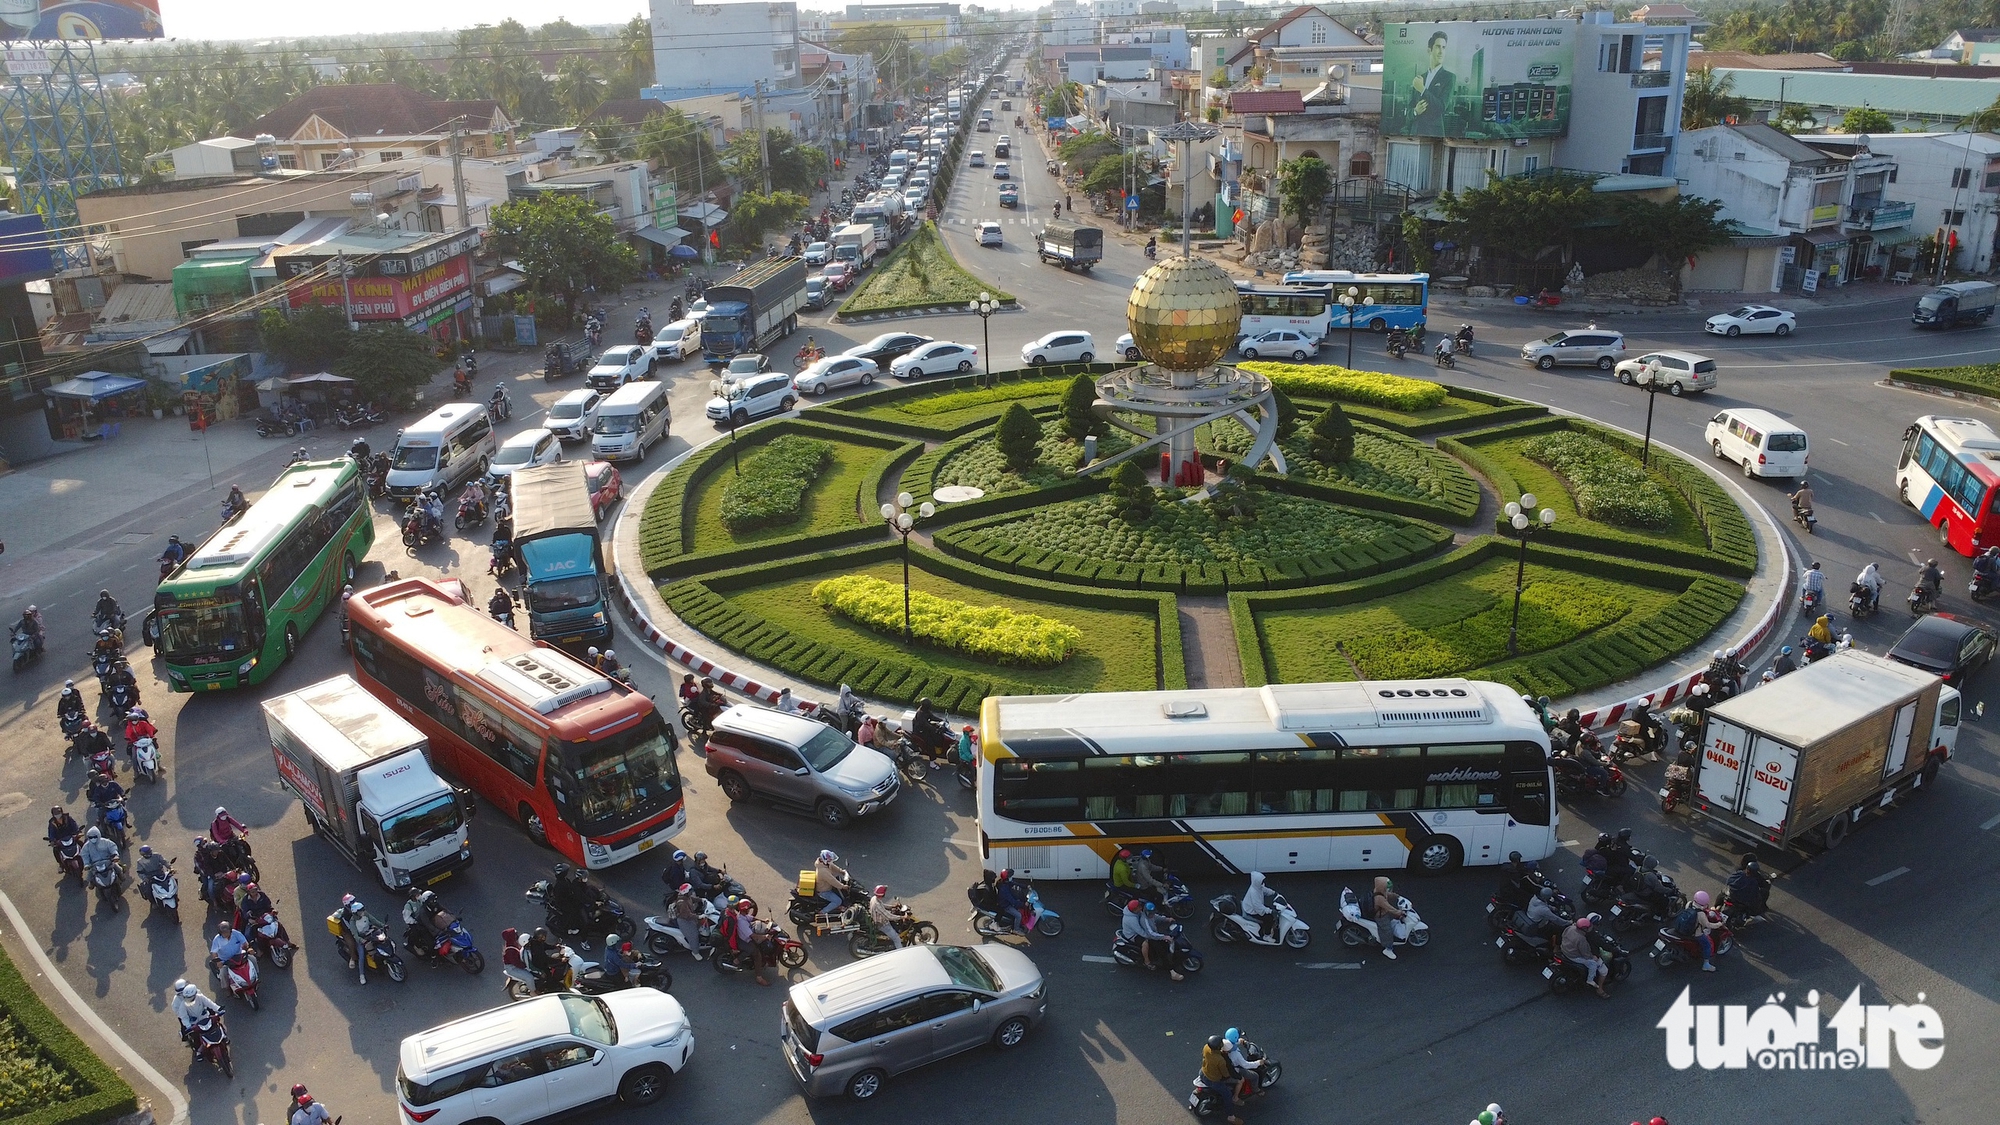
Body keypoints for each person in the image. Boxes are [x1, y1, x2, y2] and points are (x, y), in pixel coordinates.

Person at [1409, 30, 1456, 132]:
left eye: (1444, 48)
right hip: (1415, 133)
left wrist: (1422, 89)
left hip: (1434, 134)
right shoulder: (1420, 78)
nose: (1441, 51)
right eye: (1438, 47)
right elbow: (1409, 109)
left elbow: (1441, 107)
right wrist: (1415, 111)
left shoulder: (1449, 77)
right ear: (1429, 50)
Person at [1122, 900, 1183, 980]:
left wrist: (1166, 919)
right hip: (1135, 934)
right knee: (1156, 948)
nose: (1140, 908)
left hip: (1148, 933)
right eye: (1138, 907)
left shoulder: (1144, 913)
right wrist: (1158, 937)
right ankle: (1149, 963)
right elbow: (1142, 932)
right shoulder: (1134, 920)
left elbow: (1155, 917)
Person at [1561, 916, 1611, 997]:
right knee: (1595, 965)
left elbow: (1563, 936)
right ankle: (1593, 983)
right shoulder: (1581, 939)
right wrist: (1593, 957)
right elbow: (1586, 954)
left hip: (1564, 950)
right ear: (1584, 929)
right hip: (1574, 956)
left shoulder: (1570, 928)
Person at [1199, 1035, 1244, 1125]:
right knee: (1227, 1095)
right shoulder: (1220, 1060)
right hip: (1213, 1080)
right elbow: (1225, 1074)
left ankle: (1198, 1090)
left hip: (1202, 1073)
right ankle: (1231, 1117)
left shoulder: (1206, 1048)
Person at [726, 900, 773, 986]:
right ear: (745, 910)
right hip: (743, 941)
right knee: (757, 954)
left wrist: (764, 921)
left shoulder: (743, 916)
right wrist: (765, 937)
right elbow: (753, 936)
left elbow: (751, 918)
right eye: (748, 908)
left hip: (745, 937)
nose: (749, 910)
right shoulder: (741, 922)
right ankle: (759, 977)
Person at [171, 980, 223, 1051]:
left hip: (204, 1015)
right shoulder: (179, 1004)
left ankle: (223, 1037)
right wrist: (189, 1025)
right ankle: (198, 1050)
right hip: (193, 1021)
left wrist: (218, 1008)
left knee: (215, 1020)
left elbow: (208, 1002)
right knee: (194, 1036)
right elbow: (182, 1016)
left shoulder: (198, 994)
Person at [1371, 875, 1407, 959]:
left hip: (1384, 912)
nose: (1388, 890)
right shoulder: (1379, 898)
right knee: (1387, 931)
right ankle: (1388, 948)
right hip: (1381, 916)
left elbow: (1388, 894)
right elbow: (1389, 908)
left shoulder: (1379, 890)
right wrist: (1399, 912)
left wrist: (1397, 896)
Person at [1728, 855, 1771, 920]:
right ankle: (1758, 910)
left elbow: (1729, 880)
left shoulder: (1739, 872)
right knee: (1763, 893)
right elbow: (1755, 893)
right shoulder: (1754, 880)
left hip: (1732, 895)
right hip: (1744, 900)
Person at [1691, 890, 1725, 971]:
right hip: (1696, 933)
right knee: (1707, 946)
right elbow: (1708, 925)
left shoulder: (1689, 904)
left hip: (1687, 929)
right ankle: (1706, 964)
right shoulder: (1700, 914)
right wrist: (1719, 924)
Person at [670, 882, 706, 958]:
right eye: (690, 891)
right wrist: (698, 917)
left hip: (689, 917)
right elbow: (687, 915)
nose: (691, 892)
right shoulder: (682, 903)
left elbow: (692, 899)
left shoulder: (685, 897)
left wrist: (701, 900)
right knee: (693, 935)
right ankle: (695, 952)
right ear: (686, 892)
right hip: (684, 920)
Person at [866, 884, 907, 950]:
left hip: (877, 919)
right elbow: (889, 916)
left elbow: (883, 905)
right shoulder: (877, 905)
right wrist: (902, 917)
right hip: (882, 924)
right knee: (896, 938)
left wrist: (892, 906)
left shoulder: (874, 898)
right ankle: (901, 952)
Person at [1240, 871, 1277, 941]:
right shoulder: (1254, 892)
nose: (1263, 882)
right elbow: (1258, 907)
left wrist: (1274, 893)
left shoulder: (1257, 886)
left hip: (1251, 906)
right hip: (1252, 911)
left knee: (1269, 911)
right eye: (1262, 881)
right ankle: (1267, 936)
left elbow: (1264, 890)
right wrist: (1270, 911)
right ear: (1257, 881)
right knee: (1269, 919)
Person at [814, 850, 850, 914]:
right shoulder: (823, 871)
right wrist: (843, 886)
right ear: (825, 860)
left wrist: (842, 871)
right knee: (838, 901)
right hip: (824, 891)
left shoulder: (825, 864)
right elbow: (832, 881)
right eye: (829, 860)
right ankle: (822, 912)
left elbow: (833, 866)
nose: (831, 861)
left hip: (827, 887)